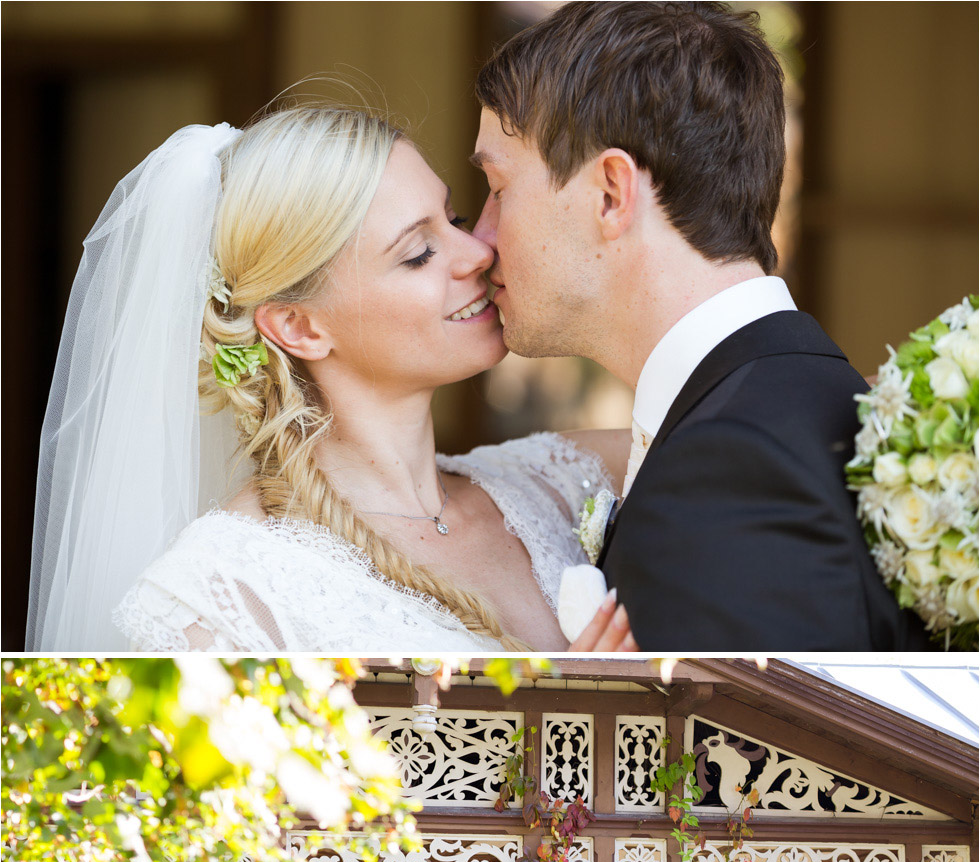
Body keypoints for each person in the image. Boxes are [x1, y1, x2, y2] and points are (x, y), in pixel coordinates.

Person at [26, 103, 636, 654]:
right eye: (418, 253)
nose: (477, 251)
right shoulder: (216, 607)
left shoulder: (561, 483)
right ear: (298, 326)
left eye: (455, 217)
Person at [472, 0, 929, 651]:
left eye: (497, 186)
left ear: (610, 193)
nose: (481, 239)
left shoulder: (728, 472)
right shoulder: (809, 400)